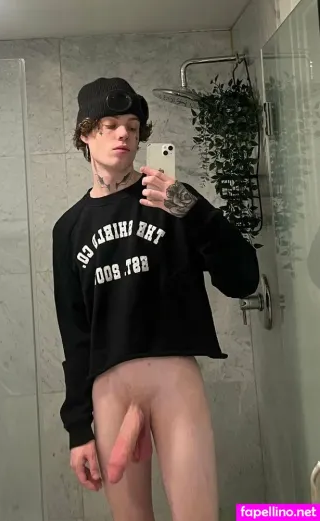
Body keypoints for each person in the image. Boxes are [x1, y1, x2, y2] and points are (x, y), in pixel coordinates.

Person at [51, 77, 260, 521]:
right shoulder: (69, 229)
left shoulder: (172, 198)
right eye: (109, 125)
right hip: (110, 391)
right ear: (85, 134)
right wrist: (78, 429)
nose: (123, 134)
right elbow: (75, 333)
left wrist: (192, 209)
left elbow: (243, 279)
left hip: (174, 384)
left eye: (132, 126)